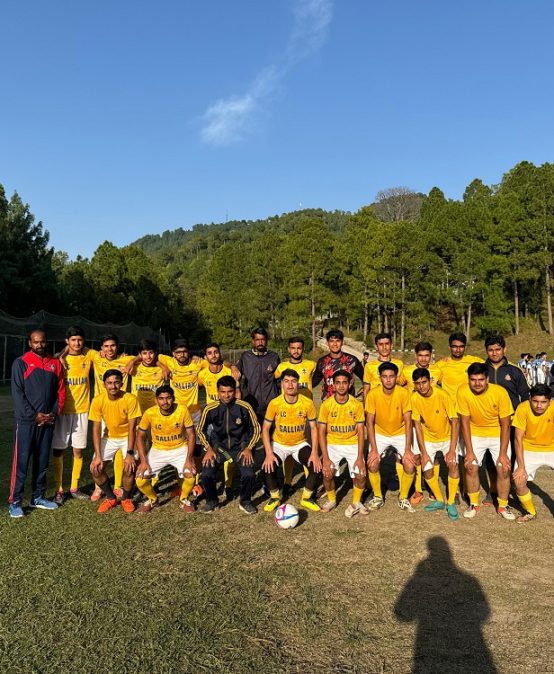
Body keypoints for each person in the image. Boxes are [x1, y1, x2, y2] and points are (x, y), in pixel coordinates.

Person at [8, 330, 65, 518]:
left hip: (48, 422)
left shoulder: (55, 363)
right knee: (21, 463)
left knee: (42, 462)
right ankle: (15, 501)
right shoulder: (21, 363)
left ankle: (37, 497)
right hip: (27, 422)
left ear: (46, 342)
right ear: (30, 343)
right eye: (36, 342)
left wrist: (53, 413)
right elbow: (18, 393)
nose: (40, 345)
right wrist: (34, 416)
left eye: (42, 342)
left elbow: (60, 391)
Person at [457, 363, 514, 520]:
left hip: (497, 433)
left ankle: (503, 505)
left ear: (487, 379)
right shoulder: (462, 391)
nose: (477, 383)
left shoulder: (500, 392)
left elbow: (506, 425)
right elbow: (464, 423)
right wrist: (469, 451)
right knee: (470, 466)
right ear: (468, 379)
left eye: (481, 379)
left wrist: (503, 453)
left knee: (503, 468)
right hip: (475, 433)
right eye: (473, 379)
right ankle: (473, 503)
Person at [196, 376, 260, 514]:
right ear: (218, 392)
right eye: (223, 392)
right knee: (206, 473)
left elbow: (256, 428)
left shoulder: (244, 407)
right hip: (218, 448)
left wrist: (249, 448)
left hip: (240, 448)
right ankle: (212, 501)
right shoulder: (210, 408)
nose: (226, 395)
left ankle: (245, 502)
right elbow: (200, 430)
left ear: (234, 391)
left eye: (230, 391)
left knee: (249, 474)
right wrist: (208, 448)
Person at [261, 369, 321, 512]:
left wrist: (314, 453)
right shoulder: (275, 403)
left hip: (299, 444)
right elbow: (265, 429)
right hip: (279, 444)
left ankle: (306, 498)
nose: (290, 385)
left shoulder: (307, 403)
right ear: (282, 383)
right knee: (268, 467)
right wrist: (269, 453)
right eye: (286, 381)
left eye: (293, 381)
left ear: (298, 383)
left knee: (316, 466)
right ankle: (275, 497)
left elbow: (314, 428)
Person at [482, 334, 530, 504]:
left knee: (512, 457)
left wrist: (523, 419)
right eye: (491, 350)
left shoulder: (514, 371)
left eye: (498, 349)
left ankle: (513, 488)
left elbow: (525, 396)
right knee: (490, 459)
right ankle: (493, 491)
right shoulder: (482, 370)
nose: (494, 353)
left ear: (504, 349)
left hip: (511, 422)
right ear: (486, 351)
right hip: (489, 423)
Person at [135, 385, 197, 514]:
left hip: (180, 448)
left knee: (191, 475)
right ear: (156, 400)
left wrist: (189, 460)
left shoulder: (182, 410)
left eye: (168, 398)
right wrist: (143, 461)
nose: (165, 402)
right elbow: (139, 436)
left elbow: (191, 434)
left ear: (173, 398)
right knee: (140, 479)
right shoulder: (150, 413)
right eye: (161, 398)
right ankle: (152, 499)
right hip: (158, 450)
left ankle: (184, 499)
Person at [52, 326, 96, 503]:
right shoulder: (58, 359)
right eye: (73, 340)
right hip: (62, 411)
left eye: (80, 340)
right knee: (59, 450)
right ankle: (59, 490)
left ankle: (74, 488)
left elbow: (106, 355)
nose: (77, 343)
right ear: (67, 341)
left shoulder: (89, 355)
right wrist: (61, 355)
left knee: (78, 450)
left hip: (82, 411)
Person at [89, 334, 136, 502]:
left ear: (118, 347)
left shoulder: (125, 359)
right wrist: (63, 355)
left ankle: (118, 487)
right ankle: (100, 489)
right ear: (101, 348)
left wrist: (132, 361)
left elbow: (147, 355)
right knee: (98, 462)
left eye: (113, 345)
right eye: (106, 346)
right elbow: (73, 348)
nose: (109, 349)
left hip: (122, 410)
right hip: (102, 410)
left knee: (124, 459)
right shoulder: (95, 356)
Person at [88, 369, 141, 514]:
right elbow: (96, 429)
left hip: (128, 437)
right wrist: (98, 456)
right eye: (109, 383)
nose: (113, 386)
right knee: (95, 469)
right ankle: (111, 498)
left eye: (116, 382)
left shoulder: (130, 399)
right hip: (109, 437)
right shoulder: (97, 400)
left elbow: (132, 428)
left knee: (129, 468)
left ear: (122, 383)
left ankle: (126, 498)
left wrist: (130, 453)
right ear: (104, 384)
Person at [411, 368, 460, 520]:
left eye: (424, 382)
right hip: (428, 439)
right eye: (418, 383)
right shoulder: (414, 398)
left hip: (447, 437)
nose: (421, 386)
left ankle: (451, 502)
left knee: (453, 465)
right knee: (427, 469)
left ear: (430, 381)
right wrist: (424, 453)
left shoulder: (442, 395)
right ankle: (439, 500)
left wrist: (452, 449)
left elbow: (454, 421)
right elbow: (417, 426)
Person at [365, 362, 415, 512]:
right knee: (372, 463)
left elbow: (408, 422)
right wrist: (374, 449)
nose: (388, 380)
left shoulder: (403, 393)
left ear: (396, 377)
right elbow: (369, 422)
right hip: (380, 433)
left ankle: (403, 497)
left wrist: (407, 449)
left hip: (400, 432)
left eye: (391, 376)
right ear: (380, 377)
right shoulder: (373, 394)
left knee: (410, 464)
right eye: (385, 376)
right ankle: (378, 497)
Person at [318, 370, 368, 517]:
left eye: (344, 382)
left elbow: (361, 432)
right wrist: (325, 458)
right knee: (327, 474)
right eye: (338, 383)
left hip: (352, 443)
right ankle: (332, 500)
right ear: (333, 385)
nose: (341, 386)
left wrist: (360, 457)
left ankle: (357, 502)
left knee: (361, 475)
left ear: (350, 384)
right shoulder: (326, 405)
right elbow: (321, 432)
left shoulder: (356, 404)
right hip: (333, 444)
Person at [198, 342, 241, 500]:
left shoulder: (229, 371)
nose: (213, 355)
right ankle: (205, 482)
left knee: (229, 450)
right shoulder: (202, 374)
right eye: (209, 353)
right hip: (212, 418)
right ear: (205, 356)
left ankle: (228, 485)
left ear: (220, 353)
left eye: (216, 352)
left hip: (229, 416)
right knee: (210, 449)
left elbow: (237, 392)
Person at [403, 341, 440, 504]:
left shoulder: (438, 371)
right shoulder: (406, 371)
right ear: (415, 355)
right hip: (413, 418)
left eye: (427, 355)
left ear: (431, 355)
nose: (424, 358)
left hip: (432, 419)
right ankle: (418, 489)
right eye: (420, 355)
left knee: (434, 455)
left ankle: (432, 487)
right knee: (417, 455)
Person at [512, 384, 554, 523]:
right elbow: (518, 439)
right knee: (518, 481)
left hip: (552, 448)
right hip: (529, 448)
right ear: (530, 399)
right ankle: (530, 512)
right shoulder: (523, 408)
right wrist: (521, 467)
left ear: (549, 401)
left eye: (543, 402)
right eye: (535, 401)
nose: (539, 405)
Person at [236, 328, 280, 422]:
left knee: (270, 430)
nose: (260, 342)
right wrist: (231, 366)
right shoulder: (245, 357)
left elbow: (279, 381)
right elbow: (234, 372)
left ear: (266, 340)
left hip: (270, 404)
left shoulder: (274, 357)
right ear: (253, 341)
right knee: (253, 430)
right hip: (251, 404)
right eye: (257, 340)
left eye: (263, 339)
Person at [312, 329, 364, 400]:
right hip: (328, 402)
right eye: (331, 341)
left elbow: (365, 377)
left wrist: (364, 389)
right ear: (327, 343)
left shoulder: (352, 360)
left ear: (342, 342)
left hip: (348, 402)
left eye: (338, 341)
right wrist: (300, 386)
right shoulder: (322, 361)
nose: (335, 344)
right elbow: (314, 381)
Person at [362, 332, 406, 397]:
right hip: (376, 401)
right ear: (376, 347)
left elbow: (403, 386)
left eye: (387, 344)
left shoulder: (399, 364)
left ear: (391, 346)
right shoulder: (369, 366)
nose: (384, 347)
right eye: (381, 344)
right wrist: (366, 403)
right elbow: (366, 390)